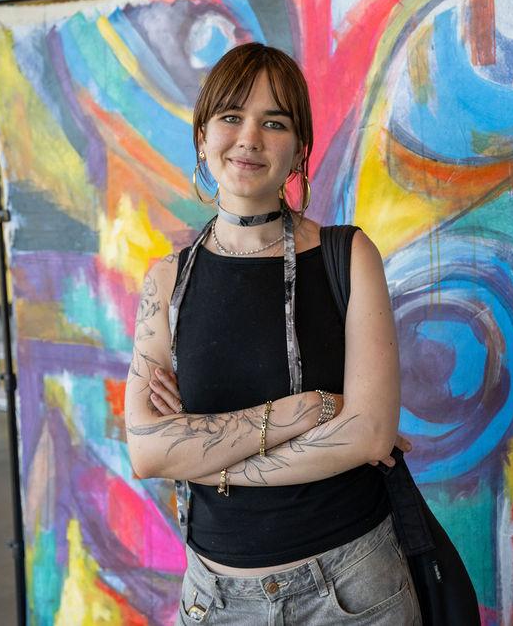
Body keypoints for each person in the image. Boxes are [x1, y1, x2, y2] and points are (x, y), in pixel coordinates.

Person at [124, 43, 420, 624]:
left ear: (300, 148)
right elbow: (148, 449)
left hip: (352, 588)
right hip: (215, 600)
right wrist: (307, 410)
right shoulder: (168, 282)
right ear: (203, 135)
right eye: (231, 116)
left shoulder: (348, 255)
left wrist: (203, 457)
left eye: (275, 122)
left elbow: (367, 437)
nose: (250, 138)